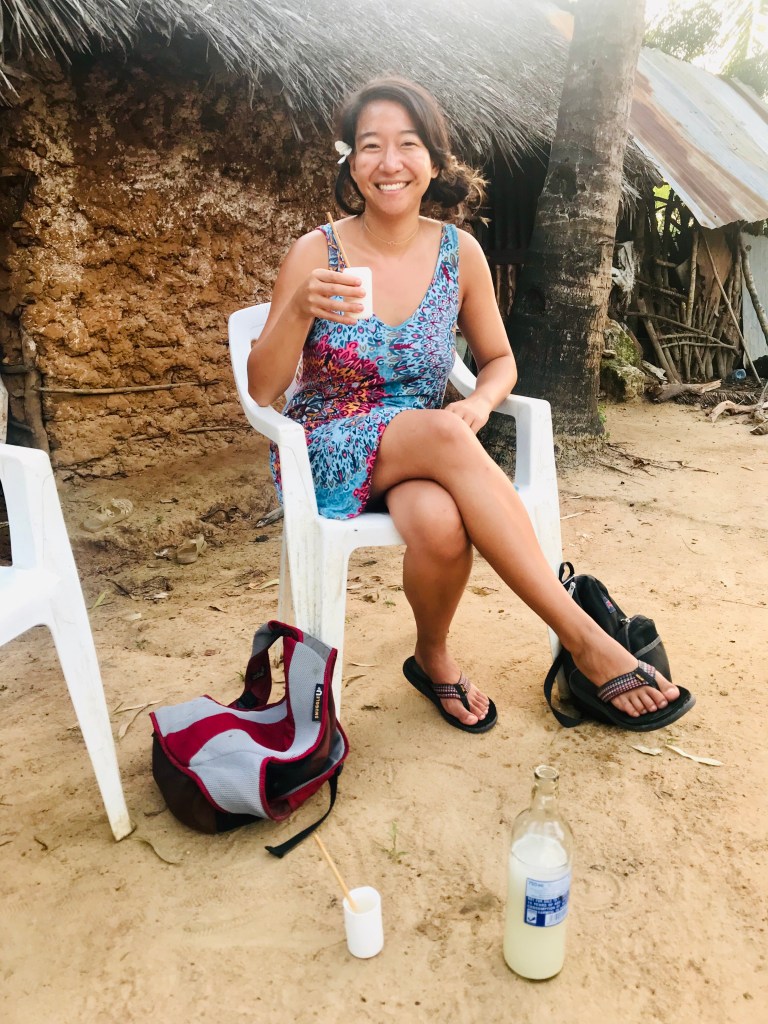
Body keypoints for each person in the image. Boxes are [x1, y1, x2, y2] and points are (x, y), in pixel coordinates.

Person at [247, 76, 694, 734]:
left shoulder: (461, 254)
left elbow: (500, 359)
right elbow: (261, 391)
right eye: (370, 145)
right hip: (327, 447)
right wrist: (296, 307)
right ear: (351, 162)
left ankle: (431, 657)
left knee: (440, 525)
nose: (389, 162)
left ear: (433, 160)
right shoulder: (316, 251)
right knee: (443, 436)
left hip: (425, 452)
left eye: (407, 144)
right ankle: (586, 642)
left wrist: (482, 402)